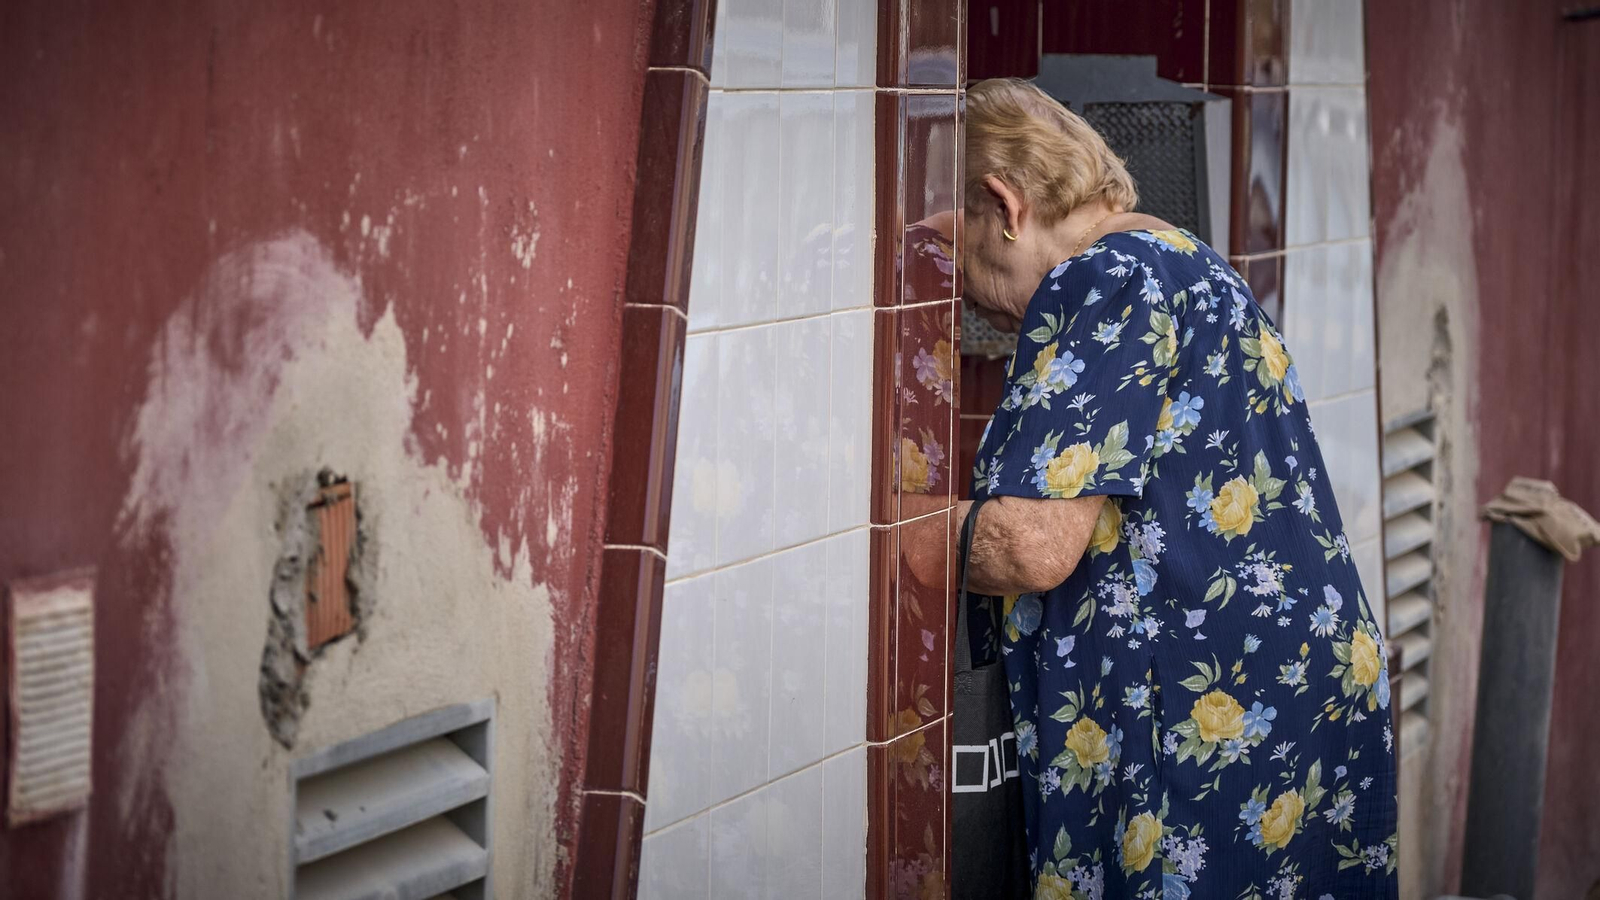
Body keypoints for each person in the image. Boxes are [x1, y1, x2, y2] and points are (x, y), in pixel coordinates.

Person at [952, 78, 1399, 897]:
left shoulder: (1104, 279)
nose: (972, 294)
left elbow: (1034, 544)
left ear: (1003, 206)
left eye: (961, 248)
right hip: (1295, 701)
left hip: (1208, 730)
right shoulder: (1184, 258)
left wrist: (886, 540)